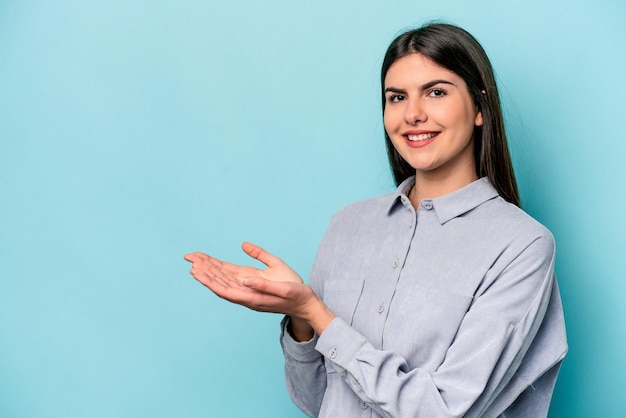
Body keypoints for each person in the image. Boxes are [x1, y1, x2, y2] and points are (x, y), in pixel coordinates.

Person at [184, 22, 567, 418]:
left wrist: (319, 314)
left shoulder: (522, 245)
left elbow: (445, 410)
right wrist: (300, 317)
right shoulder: (348, 224)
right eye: (397, 97)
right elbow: (317, 399)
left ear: (480, 108)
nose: (413, 114)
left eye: (436, 92)